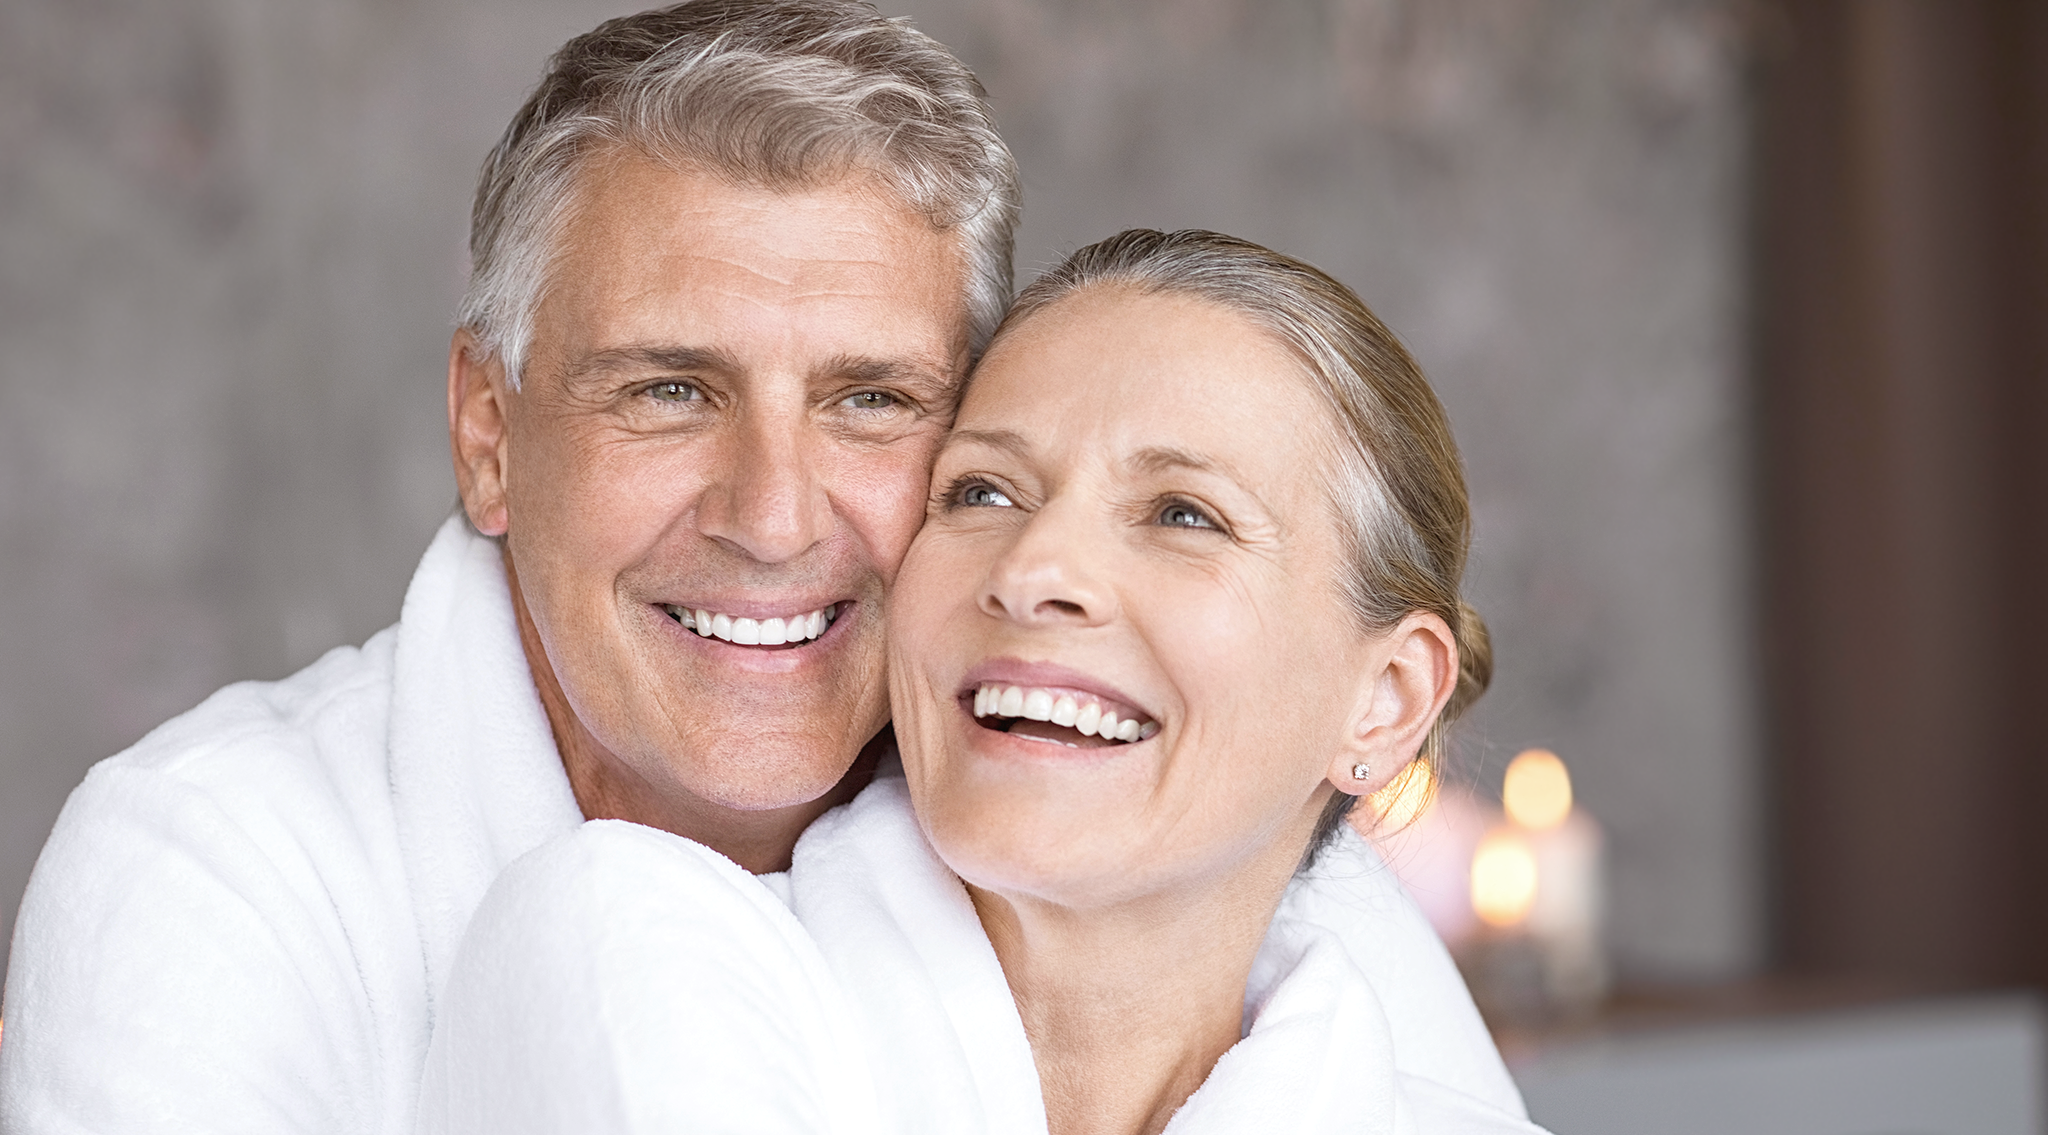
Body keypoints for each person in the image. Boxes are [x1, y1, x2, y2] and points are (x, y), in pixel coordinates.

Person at [0, 4, 1524, 1132]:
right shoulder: (213, 871)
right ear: (487, 433)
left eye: (875, 401)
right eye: (668, 388)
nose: (775, 514)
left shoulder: (1196, 871)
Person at [416, 230, 1547, 1134]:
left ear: (1387, 699)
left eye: (1182, 515)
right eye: (981, 493)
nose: (1035, 569)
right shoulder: (623, 953)